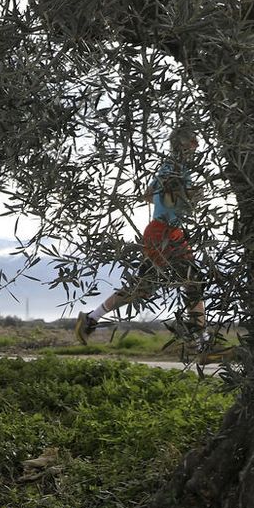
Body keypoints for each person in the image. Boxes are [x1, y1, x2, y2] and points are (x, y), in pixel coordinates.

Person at [74, 125, 211, 355]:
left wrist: (176, 199)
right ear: (183, 144)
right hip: (164, 233)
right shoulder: (175, 169)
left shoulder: (168, 167)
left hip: (166, 232)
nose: (197, 145)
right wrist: (190, 197)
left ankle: (90, 318)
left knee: (145, 289)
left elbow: (147, 194)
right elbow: (168, 200)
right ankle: (202, 344)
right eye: (193, 141)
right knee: (192, 282)